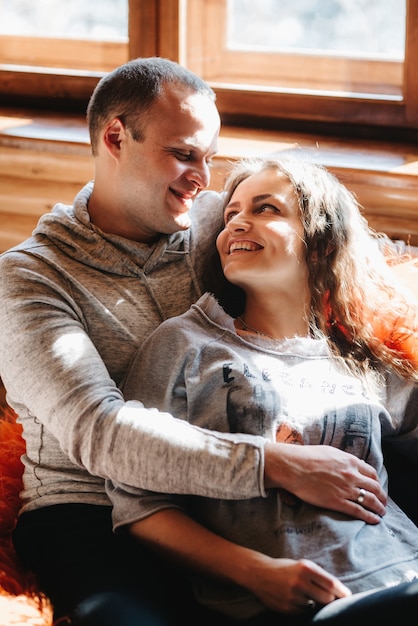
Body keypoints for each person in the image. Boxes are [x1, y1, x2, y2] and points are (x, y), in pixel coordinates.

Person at [0, 57, 386, 625]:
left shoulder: (219, 223)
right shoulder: (29, 278)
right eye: (183, 154)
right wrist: (276, 464)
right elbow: (100, 433)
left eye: (208, 158)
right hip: (93, 511)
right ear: (115, 138)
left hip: (234, 500)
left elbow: (341, 258)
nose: (203, 178)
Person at [109, 154, 418, 626]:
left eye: (266, 209)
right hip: (296, 605)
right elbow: (138, 506)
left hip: (400, 572)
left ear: (319, 244)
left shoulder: (360, 356)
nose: (237, 224)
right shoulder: (186, 344)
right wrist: (257, 574)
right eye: (231, 214)